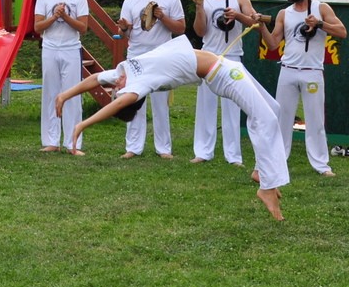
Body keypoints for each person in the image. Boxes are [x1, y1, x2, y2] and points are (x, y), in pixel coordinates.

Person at [55, 35, 290, 220]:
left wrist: (65, 95)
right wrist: (83, 124)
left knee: (273, 109)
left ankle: (262, 171)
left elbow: (94, 79)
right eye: (118, 89)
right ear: (128, 95)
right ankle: (267, 188)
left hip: (226, 64)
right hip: (222, 75)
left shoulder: (123, 74)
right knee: (264, 119)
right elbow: (117, 103)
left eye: (115, 85)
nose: (116, 83)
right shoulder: (139, 85)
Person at [257, 0, 347, 176]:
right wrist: (261, 26)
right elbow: (272, 44)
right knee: (282, 118)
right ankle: (278, 160)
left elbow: (342, 32)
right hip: (288, 71)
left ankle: (321, 165)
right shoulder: (284, 14)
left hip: (312, 72)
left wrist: (320, 24)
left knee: (315, 120)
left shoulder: (321, 8)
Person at [189, 0, 262, 166]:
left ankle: (233, 155)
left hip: (232, 55)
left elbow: (253, 22)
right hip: (208, 56)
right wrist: (199, 7)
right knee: (205, 106)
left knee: (232, 107)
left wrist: (237, 15)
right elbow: (200, 31)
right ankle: (203, 151)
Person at [115, 0, 185, 159]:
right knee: (134, 101)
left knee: (160, 103)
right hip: (136, 55)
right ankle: (133, 147)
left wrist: (162, 17)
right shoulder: (131, 0)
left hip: (161, 55)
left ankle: (163, 148)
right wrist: (123, 29)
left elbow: (181, 28)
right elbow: (124, 33)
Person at [34, 0, 89, 154]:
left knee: (72, 95)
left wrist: (65, 16)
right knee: (50, 93)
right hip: (50, 49)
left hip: (71, 49)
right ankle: (51, 141)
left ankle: (73, 143)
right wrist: (54, 16)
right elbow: (38, 26)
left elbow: (83, 27)